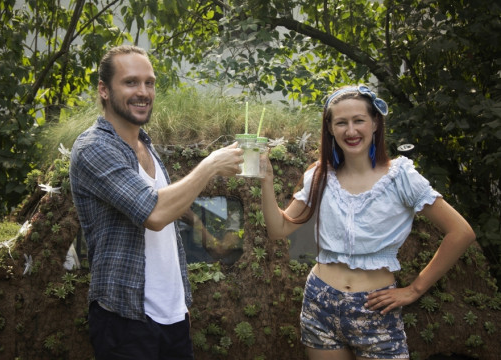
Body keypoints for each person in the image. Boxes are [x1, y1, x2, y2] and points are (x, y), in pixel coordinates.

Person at [260, 85, 476, 360]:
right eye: (341, 122)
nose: (351, 131)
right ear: (330, 128)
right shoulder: (319, 175)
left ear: (375, 123)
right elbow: (279, 229)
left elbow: (461, 232)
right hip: (320, 302)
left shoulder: (401, 176)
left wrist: (414, 290)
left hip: (375, 307)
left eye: (358, 120)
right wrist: (267, 181)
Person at [69, 45, 243, 360]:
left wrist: (179, 305)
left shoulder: (146, 146)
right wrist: (210, 165)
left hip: (172, 317)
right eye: (131, 82)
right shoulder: (93, 148)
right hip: (126, 319)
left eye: (149, 83)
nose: (143, 91)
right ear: (104, 90)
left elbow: (171, 211)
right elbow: (154, 212)